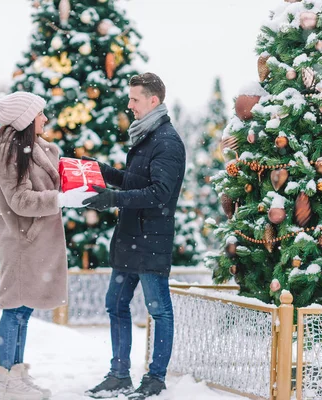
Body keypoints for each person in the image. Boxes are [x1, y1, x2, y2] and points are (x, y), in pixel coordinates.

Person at [83, 73, 186, 400]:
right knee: (115, 304)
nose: (129, 105)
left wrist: (113, 198)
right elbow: (134, 180)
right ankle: (119, 374)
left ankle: (155, 378)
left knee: (159, 311)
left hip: (151, 241)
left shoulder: (167, 141)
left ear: (153, 101)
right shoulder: (148, 137)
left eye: (135, 99)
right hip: (130, 239)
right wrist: (102, 172)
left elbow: (158, 193)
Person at [0, 91, 94, 400]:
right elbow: (20, 200)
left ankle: (17, 374)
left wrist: (78, 184)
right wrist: (60, 199)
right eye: (40, 114)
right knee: (15, 309)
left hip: (36, 243)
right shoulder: (10, 153)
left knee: (23, 310)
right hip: (23, 243)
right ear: (26, 119)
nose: (45, 119)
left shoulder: (38, 148)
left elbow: (49, 186)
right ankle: (7, 381)